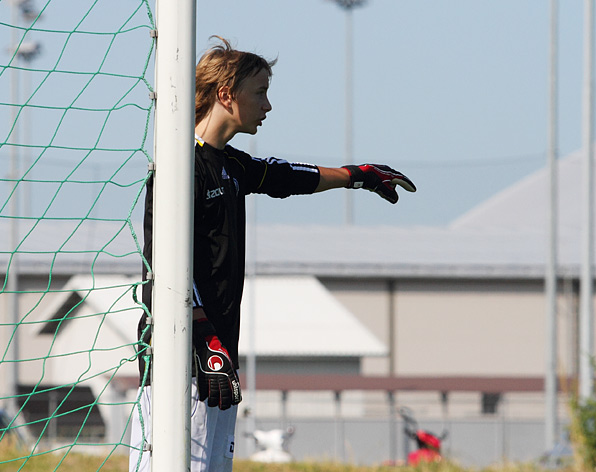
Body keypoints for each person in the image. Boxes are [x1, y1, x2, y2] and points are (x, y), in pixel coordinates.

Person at [129, 36, 416, 472]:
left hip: (216, 357)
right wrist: (205, 338)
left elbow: (286, 177)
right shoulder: (179, 165)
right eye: (260, 93)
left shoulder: (230, 164)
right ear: (226, 95)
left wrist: (356, 176)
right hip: (181, 362)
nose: (268, 106)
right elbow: (167, 269)